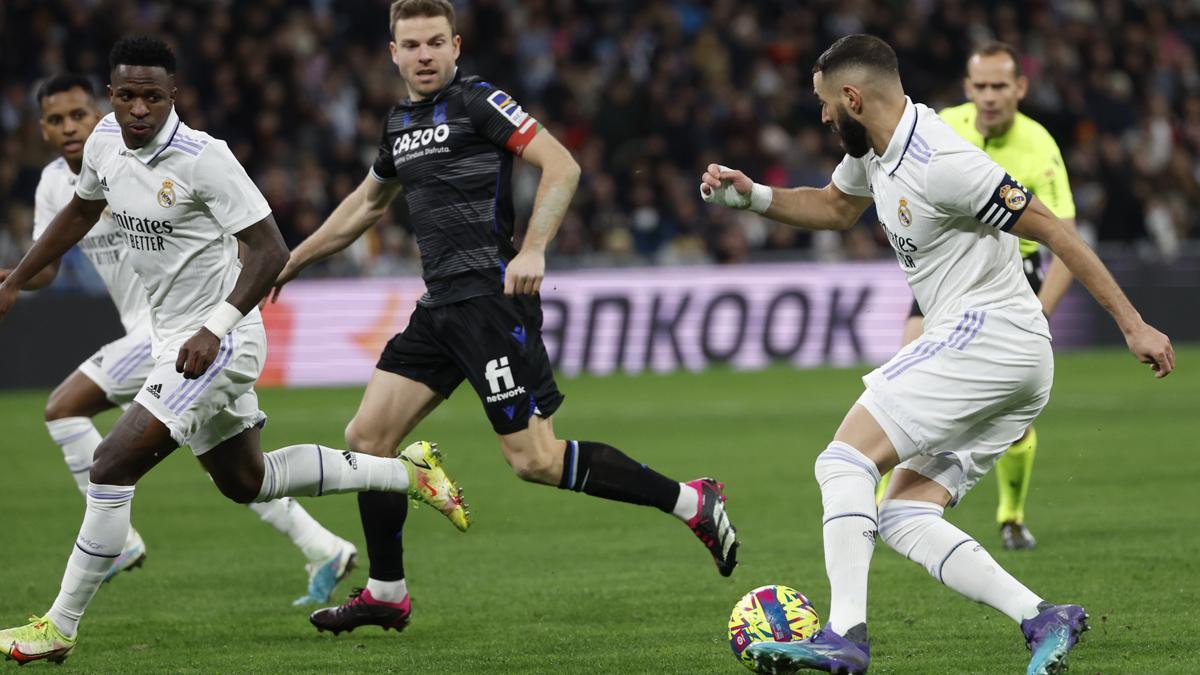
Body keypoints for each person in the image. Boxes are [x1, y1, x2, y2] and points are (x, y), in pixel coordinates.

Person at [701, 34, 1172, 674]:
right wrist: (751, 196)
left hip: (992, 336)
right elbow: (836, 208)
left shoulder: (942, 161)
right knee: (902, 514)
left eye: (822, 104)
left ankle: (844, 635)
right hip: (1005, 360)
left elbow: (1058, 230)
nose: (820, 118)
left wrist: (1133, 324)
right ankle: (1043, 616)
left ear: (851, 97)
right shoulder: (875, 150)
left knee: (843, 460)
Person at [269, 0, 739, 635]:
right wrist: (295, 259)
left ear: (457, 46)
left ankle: (691, 501)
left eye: (436, 42)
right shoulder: (399, 122)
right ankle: (386, 592)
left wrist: (535, 247)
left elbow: (562, 165)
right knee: (367, 440)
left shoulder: (478, 100)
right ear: (393, 53)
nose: (425, 55)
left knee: (534, 460)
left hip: (490, 303)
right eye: (412, 45)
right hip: (439, 309)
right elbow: (367, 203)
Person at [0, 36, 466, 665]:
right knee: (249, 480)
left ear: (173, 97)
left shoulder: (204, 158)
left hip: (220, 341)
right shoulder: (106, 141)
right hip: (172, 338)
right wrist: (12, 280)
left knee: (110, 465)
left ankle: (58, 628)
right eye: (129, 96)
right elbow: (82, 211)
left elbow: (270, 249)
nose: (139, 109)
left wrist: (215, 326)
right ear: (112, 96)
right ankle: (407, 473)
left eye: (153, 97)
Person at [1, 72, 361, 606]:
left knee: (65, 408)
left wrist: (220, 317)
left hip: (179, 333)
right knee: (235, 470)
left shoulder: (151, 157)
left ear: (97, 109)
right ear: (43, 132)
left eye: (78, 114)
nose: (70, 127)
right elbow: (48, 271)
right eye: (56, 121)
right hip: (157, 332)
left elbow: (239, 234)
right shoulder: (59, 183)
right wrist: (10, 281)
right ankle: (325, 542)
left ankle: (115, 545)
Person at [875, 42, 1079, 550]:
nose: (989, 97)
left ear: (1019, 89)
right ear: (968, 88)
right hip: (947, 270)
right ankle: (881, 503)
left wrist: (1040, 314)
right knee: (908, 378)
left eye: (999, 87)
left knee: (1010, 413)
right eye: (981, 87)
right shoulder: (941, 125)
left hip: (1014, 272)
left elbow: (1067, 238)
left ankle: (1010, 516)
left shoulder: (1039, 147)